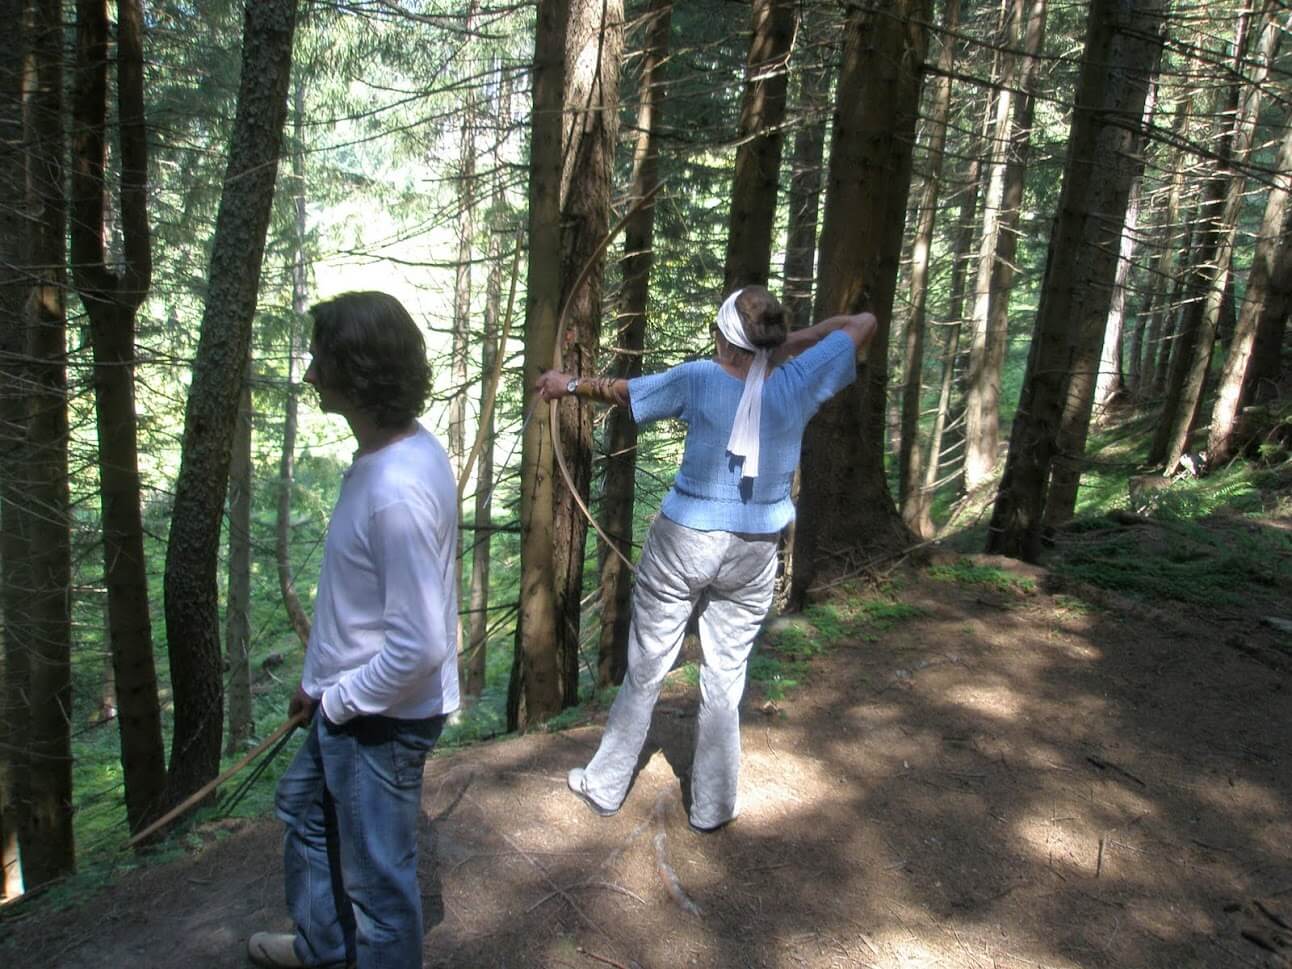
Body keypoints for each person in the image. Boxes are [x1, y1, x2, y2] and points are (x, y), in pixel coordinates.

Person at [535, 285, 875, 832]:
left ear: (723, 338)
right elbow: (863, 323)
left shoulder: (698, 379)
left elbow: (621, 392)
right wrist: (797, 341)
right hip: (756, 549)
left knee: (647, 667)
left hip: (684, 542)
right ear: (769, 341)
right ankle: (713, 806)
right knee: (726, 676)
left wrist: (566, 384)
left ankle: (605, 786)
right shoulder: (799, 379)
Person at [248, 292, 460, 969]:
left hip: (380, 720)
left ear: (359, 374)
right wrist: (318, 682)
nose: (310, 374)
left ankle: (347, 948)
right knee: (303, 809)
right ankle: (325, 948)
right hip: (353, 702)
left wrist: (337, 699)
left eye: (321, 360)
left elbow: (420, 645)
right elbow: (361, 607)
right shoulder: (396, 451)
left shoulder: (396, 492)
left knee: (379, 889)